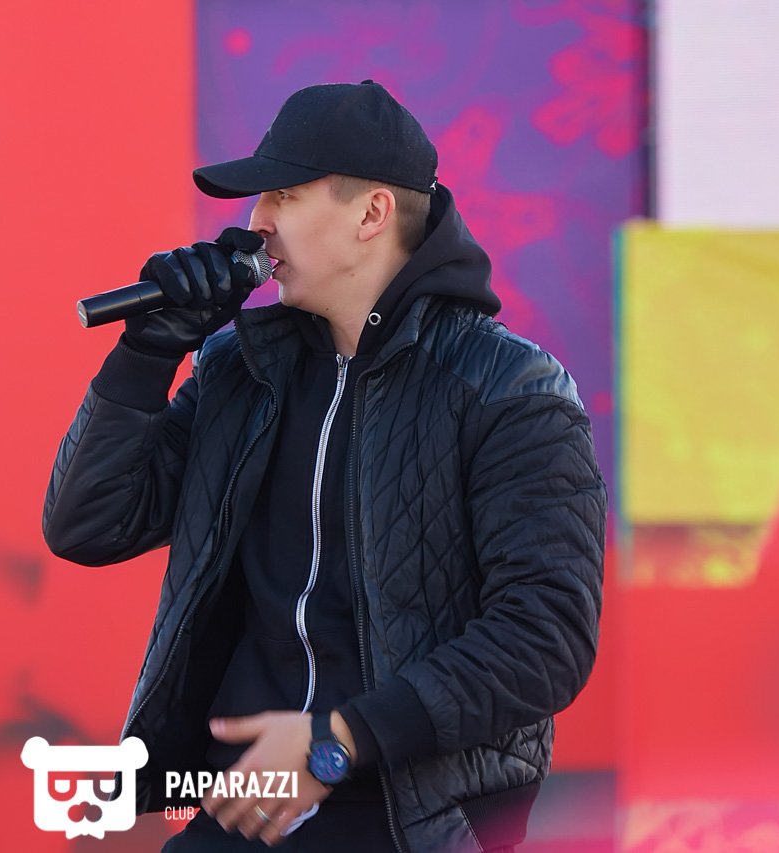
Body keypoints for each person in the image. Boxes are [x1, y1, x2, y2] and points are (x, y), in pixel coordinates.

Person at [43, 81, 606, 852]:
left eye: (283, 195)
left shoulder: (508, 389)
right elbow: (88, 524)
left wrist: (337, 740)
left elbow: (545, 637)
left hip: (413, 818)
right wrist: (147, 351)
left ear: (372, 214)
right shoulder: (240, 369)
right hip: (242, 804)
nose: (256, 222)